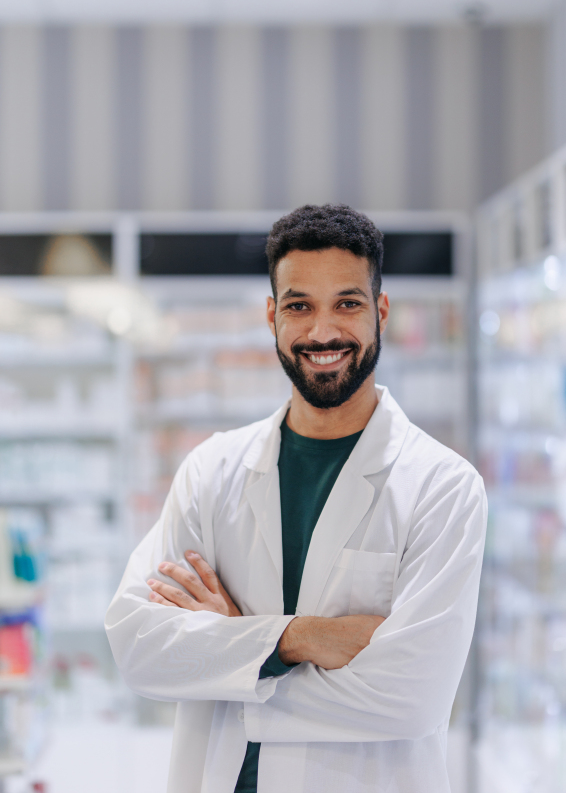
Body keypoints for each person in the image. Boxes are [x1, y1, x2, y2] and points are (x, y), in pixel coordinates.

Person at [106, 204, 487, 793]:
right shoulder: (212, 471)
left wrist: (232, 659)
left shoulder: (442, 487)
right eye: (299, 306)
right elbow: (138, 646)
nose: (323, 332)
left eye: (348, 303)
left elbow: (412, 697)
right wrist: (297, 638)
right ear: (272, 316)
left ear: (380, 312)